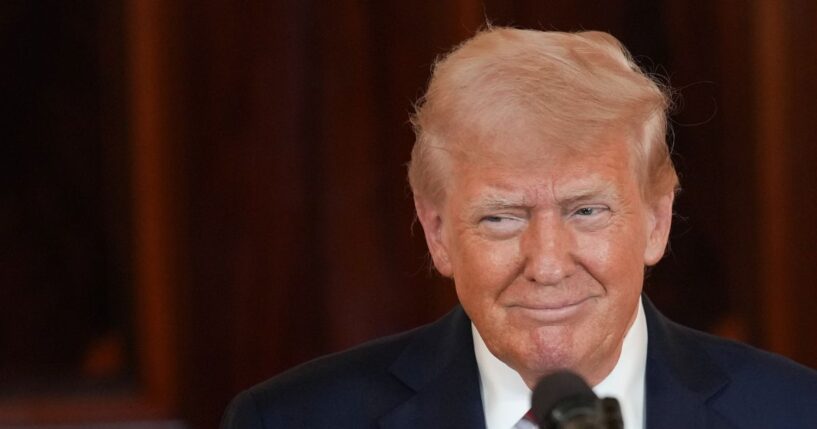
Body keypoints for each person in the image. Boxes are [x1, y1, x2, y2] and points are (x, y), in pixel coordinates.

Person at [222, 27, 817, 429]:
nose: (549, 264)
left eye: (587, 211)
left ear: (657, 221)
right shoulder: (292, 419)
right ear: (436, 233)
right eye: (502, 217)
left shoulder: (793, 413)